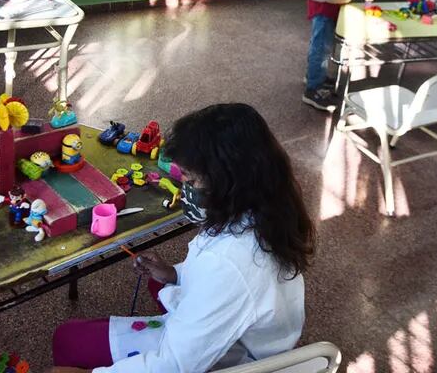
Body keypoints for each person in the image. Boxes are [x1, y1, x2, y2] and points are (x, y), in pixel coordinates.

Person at [50, 103, 315, 373]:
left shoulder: (228, 263)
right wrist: (175, 275)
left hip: (235, 358)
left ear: (225, 181)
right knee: (160, 287)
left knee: (67, 341)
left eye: (190, 180)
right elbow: (228, 282)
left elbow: (173, 365)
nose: (185, 189)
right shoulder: (268, 204)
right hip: (252, 331)